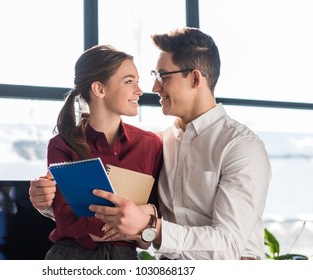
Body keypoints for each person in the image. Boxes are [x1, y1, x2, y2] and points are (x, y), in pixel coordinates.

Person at [30, 27, 272, 260]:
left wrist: (151, 227)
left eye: (162, 76)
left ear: (195, 78)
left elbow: (227, 246)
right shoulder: (162, 141)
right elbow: (126, 206)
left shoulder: (241, 146)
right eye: (153, 77)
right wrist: (48, 203)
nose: (153, 88)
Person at [32, 45, 163, 260]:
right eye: (129, 81)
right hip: (71, 258)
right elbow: (66, 219)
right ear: (99, 89)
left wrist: (139, 225)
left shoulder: (149, 144)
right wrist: (128, 225)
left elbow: (155, 211)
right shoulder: (62, 145)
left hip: (126, 258)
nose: (139, 90)